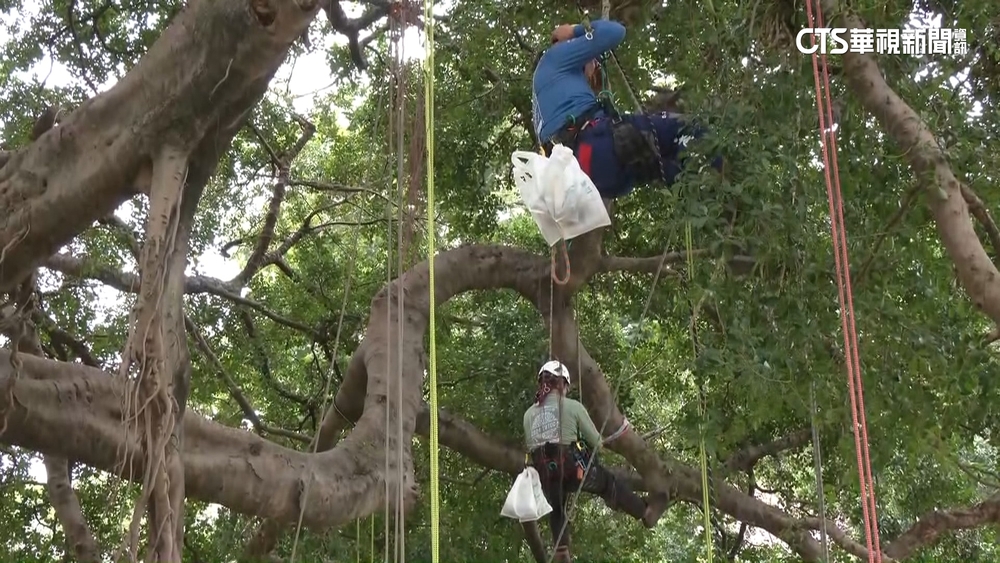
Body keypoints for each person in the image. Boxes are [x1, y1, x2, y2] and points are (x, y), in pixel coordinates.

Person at [531, 20, 724, 200]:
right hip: (598, 145)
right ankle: (709, 188)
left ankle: (696, 194)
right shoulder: (554, 57)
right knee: (689, 127)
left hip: (592, 176)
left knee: (669, 169)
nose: (594, 64)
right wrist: (574, 30)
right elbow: (614, 32)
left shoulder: (545, 99)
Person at [523, 360, 662, 562]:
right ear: (562, 384)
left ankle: (561, 550)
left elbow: (533, 447)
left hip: (545, 473)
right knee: (608, 482)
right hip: (571, 467)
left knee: (557, 504)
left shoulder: (528, 415)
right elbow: (597, 442)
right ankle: (644, 511)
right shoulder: (572, 406)